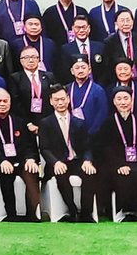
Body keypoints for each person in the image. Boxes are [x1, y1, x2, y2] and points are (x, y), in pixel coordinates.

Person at [92, 86, 137, 221]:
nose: (123, 102)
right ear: (114, 102)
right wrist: (118, 165)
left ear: (132, 101)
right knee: (123, 174)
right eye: (119, 99)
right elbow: (104, 149)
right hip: (117, 165)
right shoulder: (107, 124)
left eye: (126, 98)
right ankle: (126, 213)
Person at [0, 89, 41, 221]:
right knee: (6, 174)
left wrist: (30, 159)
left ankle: (31, 214)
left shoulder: (19, 121)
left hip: (20, 161)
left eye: (5, 101)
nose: (2, 104)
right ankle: (11, 214)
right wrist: (1, 161)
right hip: (0, 163)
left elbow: (30, 145)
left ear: (10, 103)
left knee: (32, 172)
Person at [37, 85, 97, 222]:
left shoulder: (79, 122)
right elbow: (44, 148)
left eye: (63, 99)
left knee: (90, 173)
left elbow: (87, 146)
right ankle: (73, 211)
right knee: (61, 174)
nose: (60, 103)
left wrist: (88, 160)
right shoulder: (46, 123)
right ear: (51, 101)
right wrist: (55, 162)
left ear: (68, 100)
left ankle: (86, 214)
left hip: (76, 161)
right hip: (58, 162)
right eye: (56, 100)